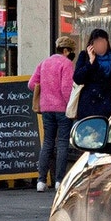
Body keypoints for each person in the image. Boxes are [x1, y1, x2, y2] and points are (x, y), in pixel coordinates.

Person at [30, 35, 80, 190]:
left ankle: (41, 181)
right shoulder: (66, 64)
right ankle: (59, 181)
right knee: (63, 143)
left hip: (46, 109)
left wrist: (46, 91)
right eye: (71, 52)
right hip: (62, 109)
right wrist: (70, 106)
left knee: (48, 143)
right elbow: (66, 89)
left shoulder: (44, 63)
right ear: (66, 50)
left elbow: (32, 84)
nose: (72, 55)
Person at [73, 27, 111, 121]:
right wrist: (90, 62)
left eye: (103, 42)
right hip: (88, 104)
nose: (100, 46)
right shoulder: (84, 56)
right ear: (91, 45)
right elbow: (78, 79)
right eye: (97, 43)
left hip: (106, 102)